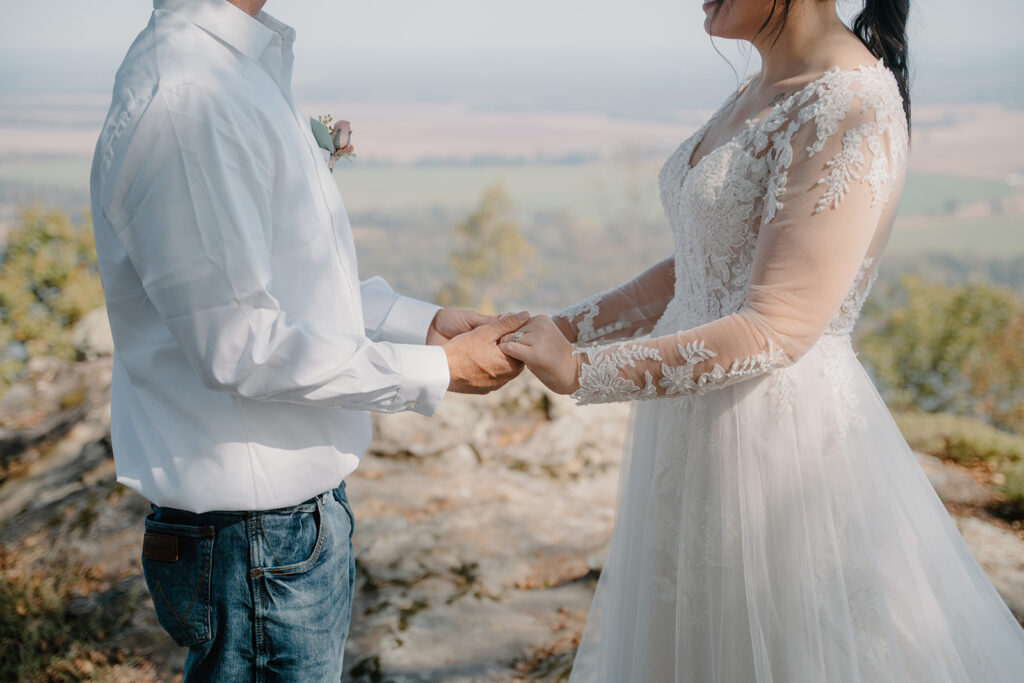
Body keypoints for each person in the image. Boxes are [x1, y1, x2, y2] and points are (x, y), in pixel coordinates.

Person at [500, 0, 1024, 680]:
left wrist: (584, 369)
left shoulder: (849, 103)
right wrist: (565, 326)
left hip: (775, 446)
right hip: (692, 428)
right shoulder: (760, 85)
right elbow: (698, 264)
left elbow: (779, 325)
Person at [89, 0, 527, 679]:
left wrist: (419, 322)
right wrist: (432, 369)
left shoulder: (233, 66)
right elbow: (239, 343)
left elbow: (284, 288)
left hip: (282, 526)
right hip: (253, 538)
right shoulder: (186, 99)